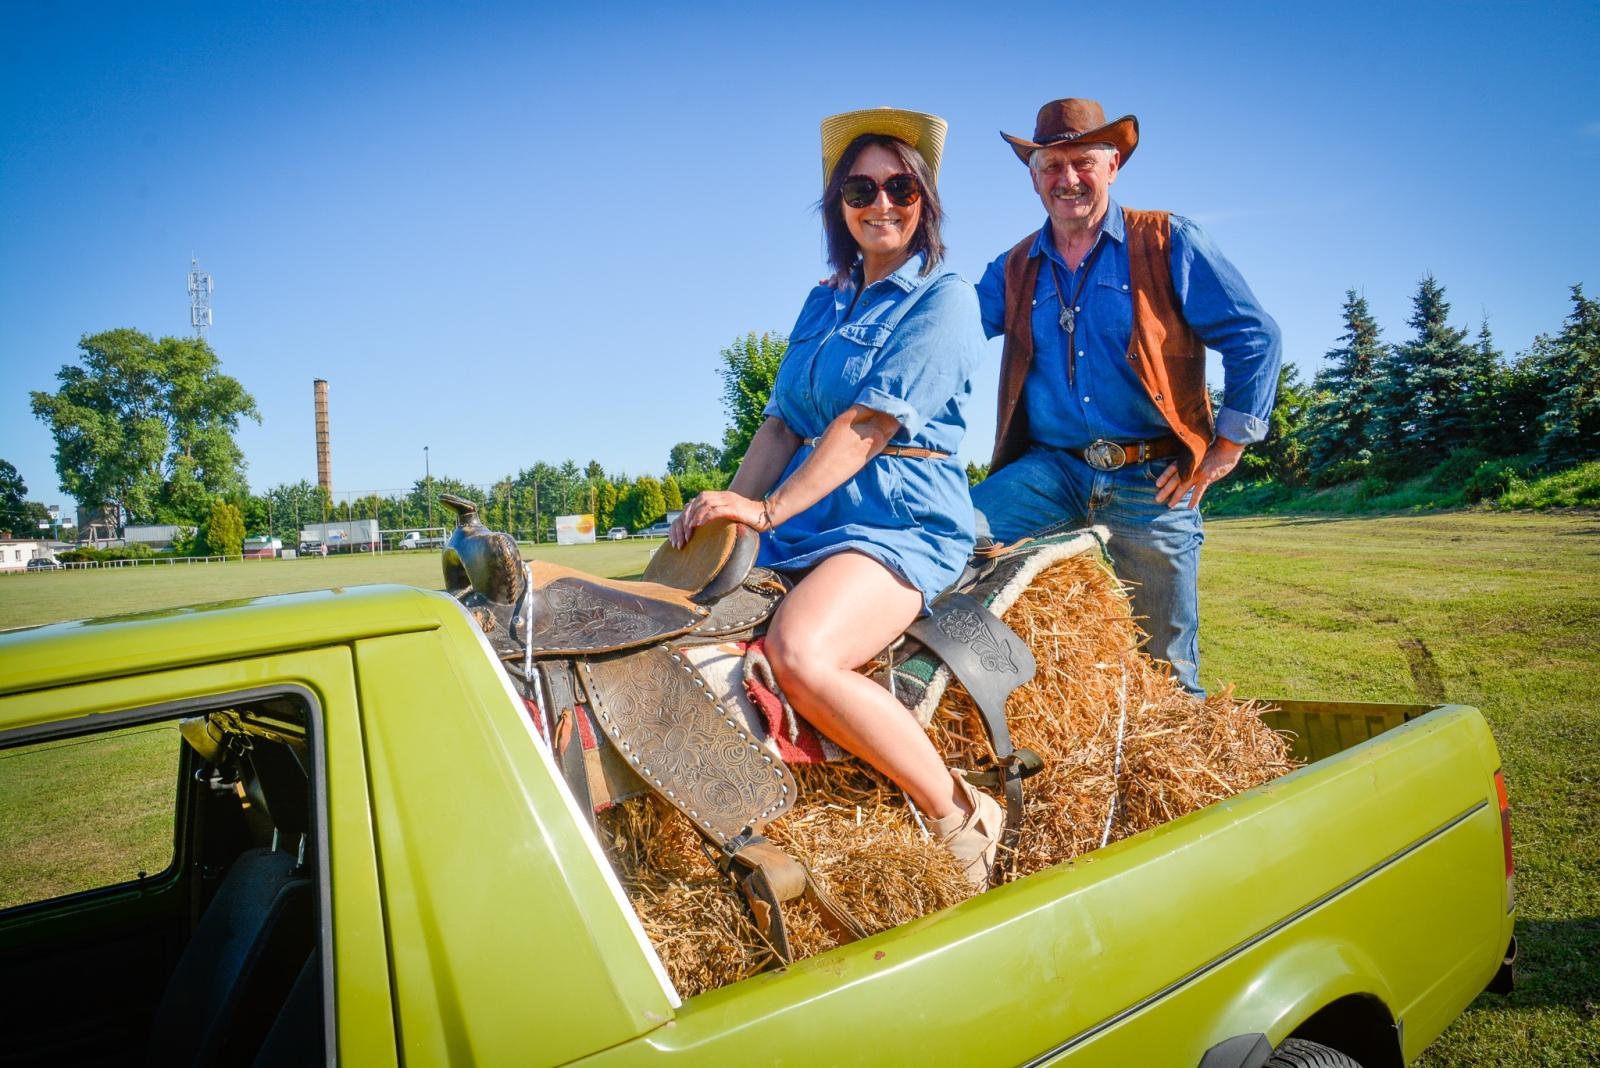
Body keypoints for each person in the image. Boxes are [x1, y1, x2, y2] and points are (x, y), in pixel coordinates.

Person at [671, 107, 1002, 887]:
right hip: (812, 516)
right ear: (838, 206)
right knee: (676, 614)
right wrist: (726, 511)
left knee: (800, 654)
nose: (881, 203)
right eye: (861, 188)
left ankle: (959, 815)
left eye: (900, 188)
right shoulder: (824, 302)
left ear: (925, 201)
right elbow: (783, 423)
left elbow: (866, 426)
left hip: (897, 517)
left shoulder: (947, 299)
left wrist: (765, 513)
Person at [970, 98, 1282, 695]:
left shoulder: (1168, 241)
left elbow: (1256, 336)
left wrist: (1229, 445)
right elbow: (948, 331)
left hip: (1153, 477)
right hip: (1051, 472)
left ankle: (1181, 772)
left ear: (1113, 166)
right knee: (951, 540)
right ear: (1033, 176)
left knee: (1166, 668)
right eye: (1051, 165)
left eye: (1083, 162)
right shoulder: (1012, 268)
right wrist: (867, 285)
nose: (1068, 179)